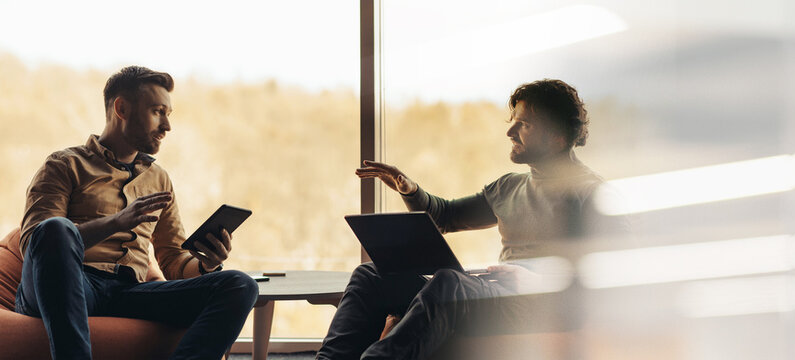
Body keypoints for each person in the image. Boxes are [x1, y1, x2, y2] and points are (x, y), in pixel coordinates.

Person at [316, 79, 604, 360]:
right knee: (370, 276)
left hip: (539, 304)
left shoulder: (590, 193)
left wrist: (536, 280)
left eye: (524, 124)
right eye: (512, 121)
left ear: (558, 135)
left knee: (449, 284)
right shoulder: (509, 187)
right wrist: (410, 189)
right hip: (495, 295)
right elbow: (446, 217)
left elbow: (607, 276)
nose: (511, 132)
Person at [15, 66, 258, 360]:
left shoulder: (159, 178)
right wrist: (116, 222)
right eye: (158, 111)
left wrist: (206, 263)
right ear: (122, 108)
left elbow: (172, 260)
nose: (167, 126)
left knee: (240, 285)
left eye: (169, 114)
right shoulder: (64, 165)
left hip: (128, 292)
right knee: (55, 228)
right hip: (69, 284)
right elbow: (36, 245)